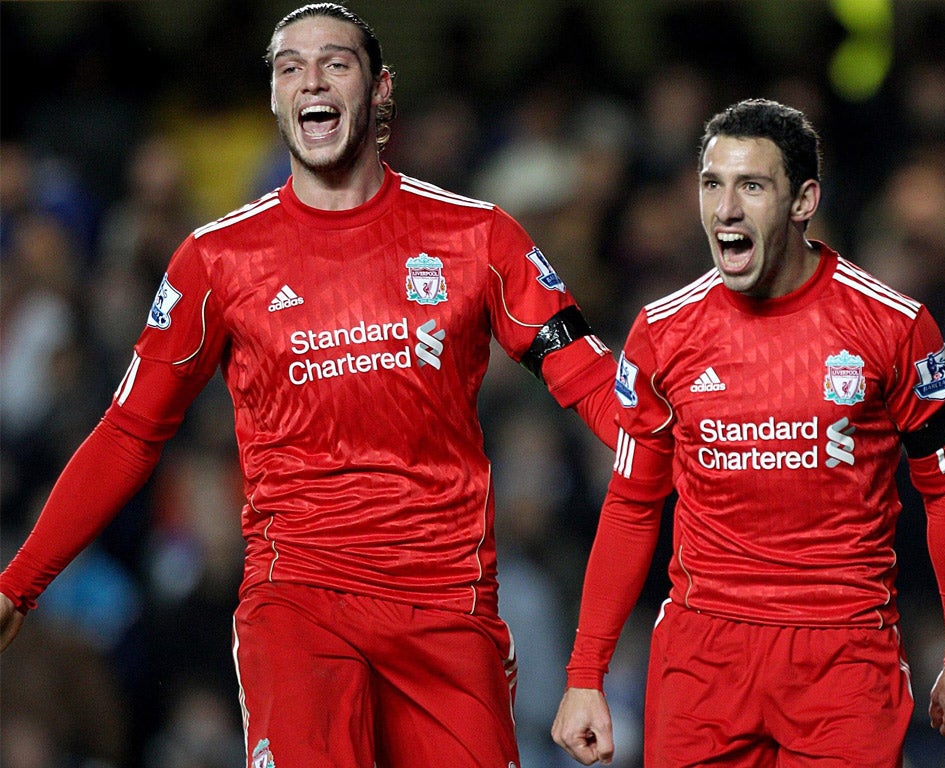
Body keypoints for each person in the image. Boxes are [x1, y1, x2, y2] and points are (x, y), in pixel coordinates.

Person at [0, 5, 620, 768]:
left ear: (380, 88)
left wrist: (684, 455)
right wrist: (20, 582)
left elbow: (588, 376)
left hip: (445, 604)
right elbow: (130, 431)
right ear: (273, 97)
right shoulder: (218, 260)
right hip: (297, 599)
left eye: (335, 62)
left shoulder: (477, 237)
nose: (311, 79)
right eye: (290, 67)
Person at [551, 98, 945, 767]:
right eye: (712, 184)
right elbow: (631, 506)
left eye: (752, 185)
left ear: (803, 199)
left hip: (843, 657)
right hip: (702, 661)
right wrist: (585, 674)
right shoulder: (663, 333)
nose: (725, 208)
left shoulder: (893, 327)